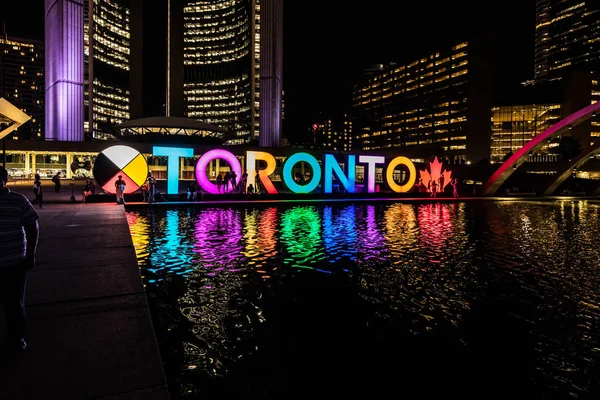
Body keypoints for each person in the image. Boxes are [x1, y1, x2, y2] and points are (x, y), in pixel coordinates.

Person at [0, 166, 39, 352]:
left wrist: (30, 255)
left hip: (14, 264)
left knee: (15, 304)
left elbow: (33, 227)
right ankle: (16, 339)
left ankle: (17, 339)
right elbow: (32, 228)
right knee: (14, 304)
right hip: (14, 262)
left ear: (4, 180)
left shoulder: (18, 201)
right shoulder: (19, 200)